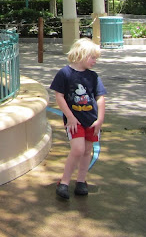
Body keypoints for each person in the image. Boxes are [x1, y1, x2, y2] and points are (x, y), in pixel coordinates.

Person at [50, 38, 107, 199]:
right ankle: (64, 182)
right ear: (81, 55)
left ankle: (81, 180)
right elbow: (59, 96)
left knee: (87, 150)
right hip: (74, 120)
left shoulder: (93, 76)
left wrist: (100, 119)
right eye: (92, 57)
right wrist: (70, 117)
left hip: (92, 120)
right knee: (78, 149)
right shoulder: (65, 73)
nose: (95, 61)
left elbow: (100, 98)